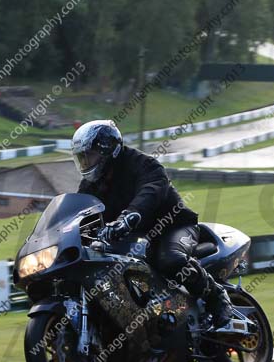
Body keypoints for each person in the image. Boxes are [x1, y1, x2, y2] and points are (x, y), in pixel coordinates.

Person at [71, 120, 233, 328]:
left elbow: (152, 188)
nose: (86, 162)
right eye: (82, 158)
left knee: (171, 260)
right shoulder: (90, 184)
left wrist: (129, 216)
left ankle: (217, 296)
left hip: (174, 227)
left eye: (89, 155)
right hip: (136, 238)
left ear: (107, 150)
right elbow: (80, 212)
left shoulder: (140, 163)